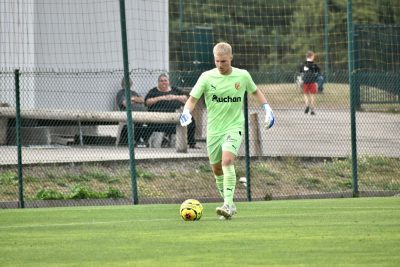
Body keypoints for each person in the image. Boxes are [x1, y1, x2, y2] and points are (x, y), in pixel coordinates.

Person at [179, 42, 275, 220]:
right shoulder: (207, 77)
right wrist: (186, 112)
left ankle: (228, 205)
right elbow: (192, 99)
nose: (220, 65)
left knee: (227, 160)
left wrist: (267, 109)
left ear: (231, 58)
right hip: (214, 130)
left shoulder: (242, 76)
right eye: (217, 61)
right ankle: (228, 203)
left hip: (234, 126)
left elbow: (256, 92)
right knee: (216, 170)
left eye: (224, 61)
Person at [145, 73, 199, 149]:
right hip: (159, 118)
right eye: (161, 81)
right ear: (158, 82)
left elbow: (185, 98)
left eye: (165, 80)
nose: (163, 82)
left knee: (191, 120)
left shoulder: (174, 90)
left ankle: (192, 143)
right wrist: (161, 98)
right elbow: (147, 102)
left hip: (176, 114)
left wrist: (174, 97)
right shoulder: (154, 91)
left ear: (168, 82)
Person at [116, 78, 151, 147]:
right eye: (126, 82)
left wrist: (131, 99)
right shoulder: (121, 93)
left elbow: (143, 100)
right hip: (128, 114)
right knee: (136, 122)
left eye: (129, 82)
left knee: (147, 124)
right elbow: (125, 103)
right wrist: (136, 100)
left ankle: (141, 141)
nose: (128, 84)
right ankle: (135, 141)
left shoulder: (134, 93)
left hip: (141, 113)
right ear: (122, 84)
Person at [299, 51, 321, 115]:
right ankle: (312, 109)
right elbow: (319, 72)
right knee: (312, 95)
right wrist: (316, 76)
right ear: (311, 56)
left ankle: (307, 105)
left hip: (305, 81)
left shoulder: (303, 64)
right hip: (312, 81)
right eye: (313, 56)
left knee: (305, 94)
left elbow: (301, 72)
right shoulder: (314, 65)